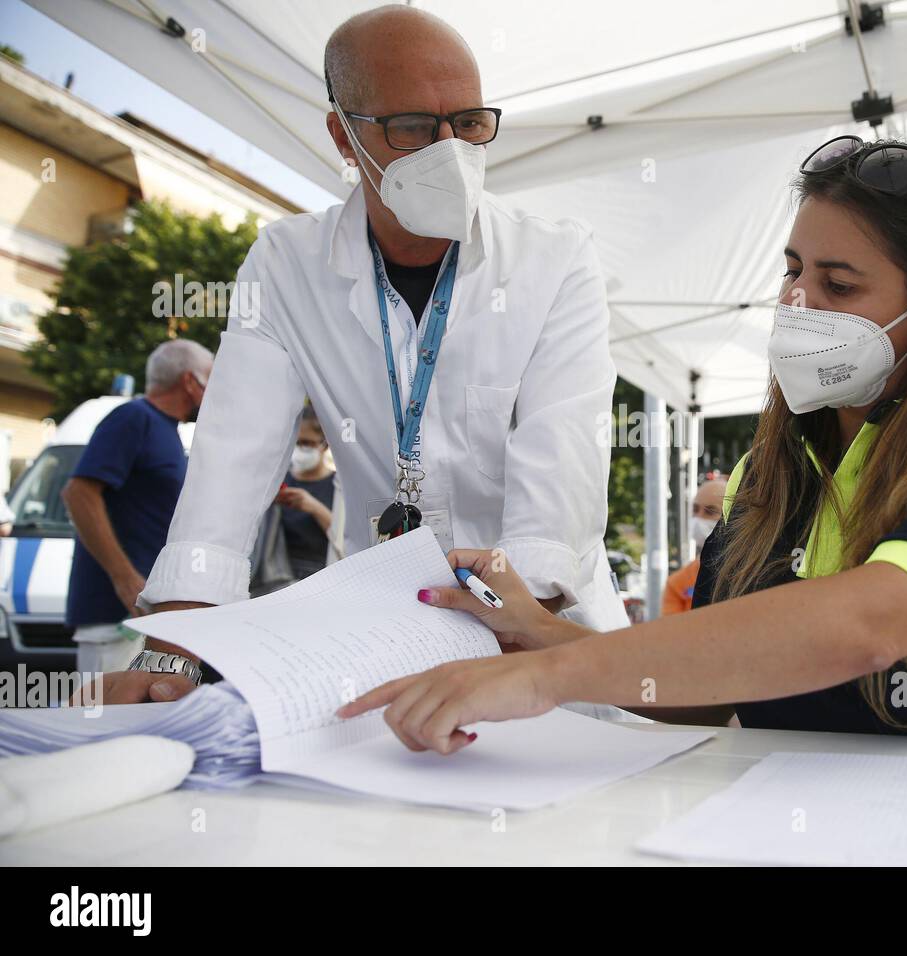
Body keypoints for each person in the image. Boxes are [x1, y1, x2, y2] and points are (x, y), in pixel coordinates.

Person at [340, 136, 907, 754]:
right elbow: (715, 690)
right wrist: (546, 635)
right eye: (792, 271)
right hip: (811, 827)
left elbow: (865, 628)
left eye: (839, 286)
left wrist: (554, 674)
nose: (797, 305)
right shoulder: (766, 474)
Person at [102, 6, 626, 702]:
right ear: (343, 136)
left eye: (468, 123)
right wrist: (173, 654)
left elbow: (560, 480)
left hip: (543, 636)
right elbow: (228, 467)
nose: (449, 150)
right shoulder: (287, 264)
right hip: (382, 636)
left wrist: (499, 644)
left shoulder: (556, 259)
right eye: (411, 127)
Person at [61, 339, 211, 674]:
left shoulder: (166, 430)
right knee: (105, 720)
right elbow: (78, 493)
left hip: (143, 615)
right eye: (210, 377)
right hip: (116, 615)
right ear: (189, 381)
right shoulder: (134, 418)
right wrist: (124, 578)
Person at [275, 404, 335, 580]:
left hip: (320, 575)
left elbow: (344, 539)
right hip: (275, 576)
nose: (301, 449)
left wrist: (314, 508)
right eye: (297, 442)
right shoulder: (278, 480)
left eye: (307, 443)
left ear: (325, 444)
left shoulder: (339, 487)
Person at [660, 476, 727, 616]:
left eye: (710, 511)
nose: (699, 518)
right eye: (695, 510)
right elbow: (672, 631)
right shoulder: (677, 583)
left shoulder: (751, 573)